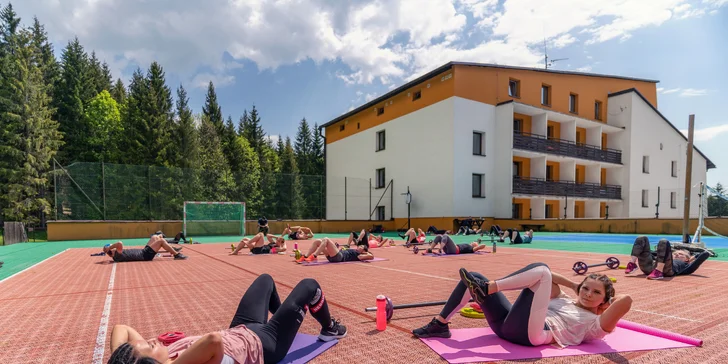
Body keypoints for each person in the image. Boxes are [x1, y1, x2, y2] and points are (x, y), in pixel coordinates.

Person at [107, 274, 347, 364]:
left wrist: (120, 356)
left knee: (265, 280)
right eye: (151, 346)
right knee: (309, 286)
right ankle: (330, 328)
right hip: (264, 346)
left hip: (240, 330)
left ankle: (286, 326)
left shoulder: (160, 358)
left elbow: (121, 328)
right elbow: (213, 341)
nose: (153, 341)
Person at [412, 263, 632, 349]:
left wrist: (607, 304)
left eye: (595, 293)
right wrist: (574, 284)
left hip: (532, 336)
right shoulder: (564, 298)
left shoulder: (595, 324)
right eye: (586, 288)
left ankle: (487, 288)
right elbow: (551, 276)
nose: (587, 294)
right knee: (473, 276)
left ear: (603, 300)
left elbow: (626, 301)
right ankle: (440, 324)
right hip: (506, 326)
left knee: (542, 273)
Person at [624, 236, 711, 279]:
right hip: (649, 267)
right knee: (641, 238)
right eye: (675, 253)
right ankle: (632, 263)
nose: (677, 255)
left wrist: (692, 258)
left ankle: (659, 271)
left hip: (667, 270)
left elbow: (705, 254)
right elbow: (647, 252)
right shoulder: (664, 256)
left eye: (681, 254)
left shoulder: (686, 266)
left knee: (664, 241)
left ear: (687, 259)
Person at [104, 235, 188, 262]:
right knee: (161, 241)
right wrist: (109, 247)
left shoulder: (116, 255)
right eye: (112, 246)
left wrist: (109, 248)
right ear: (112, 250)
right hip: (145, 255)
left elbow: (117, 244)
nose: (114, 246)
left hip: (143, 252)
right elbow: (119, 243)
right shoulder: (117, 255)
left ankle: (170, 248)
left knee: (155, 237)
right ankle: (176, 255)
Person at [296, 237, 374, 263]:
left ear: (364, 251)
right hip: (334, 255)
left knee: (326, 239)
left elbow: (371, 256)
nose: (359, 246)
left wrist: (367, 253)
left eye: (362, 247)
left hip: (339, 257)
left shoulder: (359, 255)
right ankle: (305, 257)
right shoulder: (355, 251)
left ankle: (314, 256)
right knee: (318, 241)